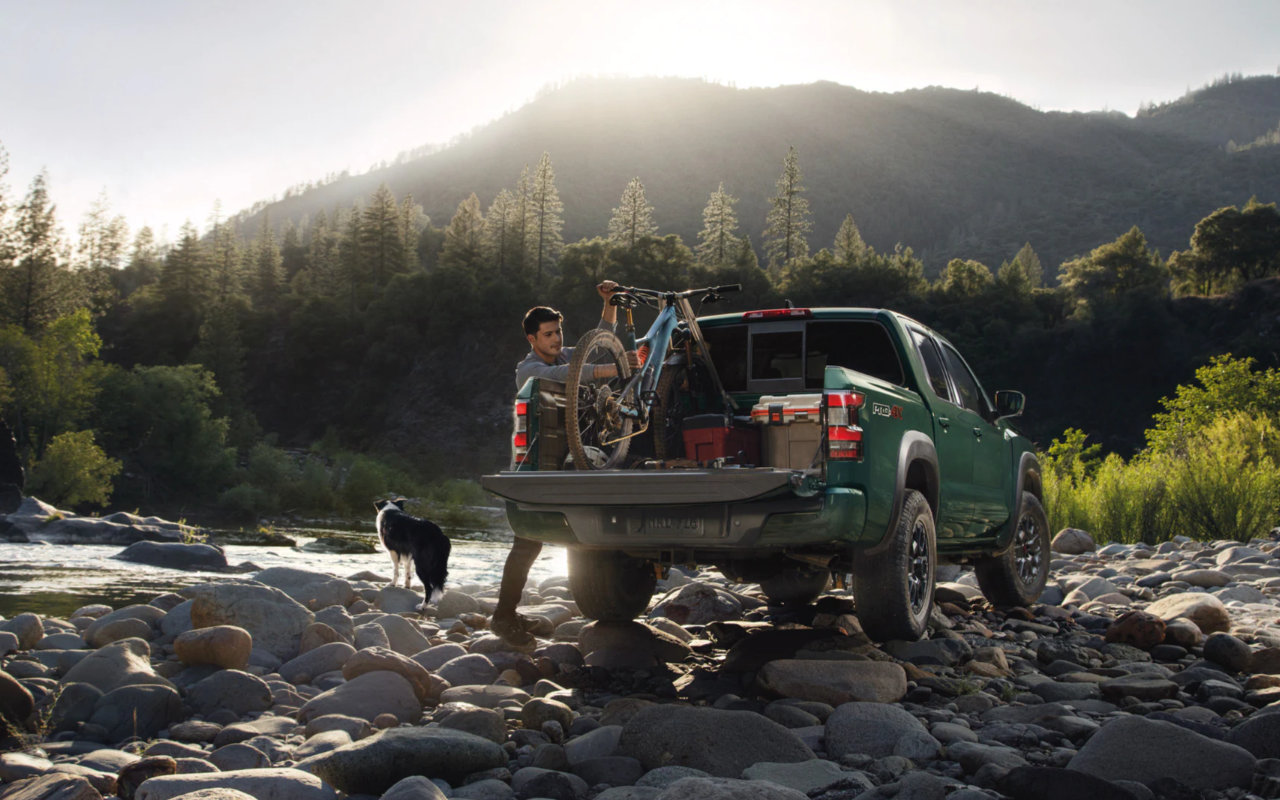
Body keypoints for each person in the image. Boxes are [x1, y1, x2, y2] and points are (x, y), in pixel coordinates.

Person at [492, 280, 630, 648]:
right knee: (526, 544)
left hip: (567, 461)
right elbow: (570, 377)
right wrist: (613, 371)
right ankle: (503, 617)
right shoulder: (529, 370)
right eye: (548, 334)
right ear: (532, 339)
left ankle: (508, 612)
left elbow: (600, 344)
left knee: (541, 541)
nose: (556, 339)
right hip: (534, 466)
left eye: (559, 332)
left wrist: (609, 303)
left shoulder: (568, 355)